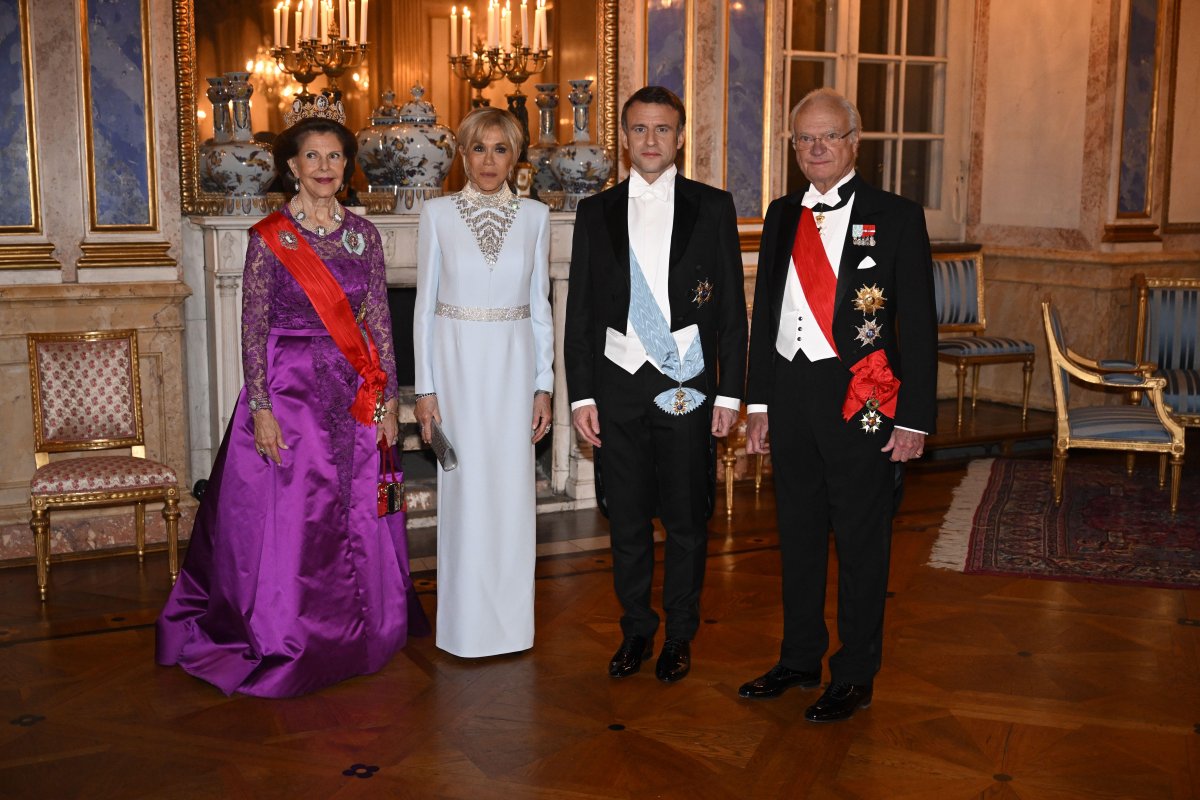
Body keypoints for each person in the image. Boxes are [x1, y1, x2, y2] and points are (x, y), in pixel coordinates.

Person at [156, 107, 426, 697]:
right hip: (289, 391)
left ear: (346, 165)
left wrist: (386, 405)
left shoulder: (365, 235)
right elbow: (252, 327)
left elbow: (379, 323)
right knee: (295, 519)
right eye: (313, 156)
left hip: (354, 392)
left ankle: (363, 628)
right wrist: (260, 407)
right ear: (291, 166)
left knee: (356, 509)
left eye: (334, 156)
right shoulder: (270, 239)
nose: (324, 167)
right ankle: (291, 634)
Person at [737, 88, 937, 721]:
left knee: (860, 539)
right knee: (796, 535)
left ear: (855, 140)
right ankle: (798, 658)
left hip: (864, 400)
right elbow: (765, 312)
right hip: (791, 396)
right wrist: (759, 405)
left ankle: (854, 672)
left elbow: (921, 327)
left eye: (828, 136)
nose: (816, 148)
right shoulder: (779, 214)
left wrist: (914, 418)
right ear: (793, 147)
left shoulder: (897, 215)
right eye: (804, 139)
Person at [565, 86, 747, 683]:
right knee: (626, 519)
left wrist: (729, 393)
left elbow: (731, 313)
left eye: (663, 129)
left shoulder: (713, 206)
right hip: (617, 386)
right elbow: (582, 312)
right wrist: (583, 394)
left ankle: (680, 635)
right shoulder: (594, 212)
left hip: (685, 382)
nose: (650, 140)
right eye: (640, 129)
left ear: (680, 137)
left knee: (688, 519)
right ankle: (637, 630)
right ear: (623, 137)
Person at [413, 107, 553, 658]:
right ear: (462, 155)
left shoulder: (536, 216)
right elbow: (423, 309)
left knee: (514, 497)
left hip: (515, 372)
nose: (489, 160)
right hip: (456, 373)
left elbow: (541, 308)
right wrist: (425, 391)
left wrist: (543, 385)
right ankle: (465, 630)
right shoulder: (437, 214)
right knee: (465, 493)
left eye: (500, 149)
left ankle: (511, 629)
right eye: (478, 148)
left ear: (513, 156)